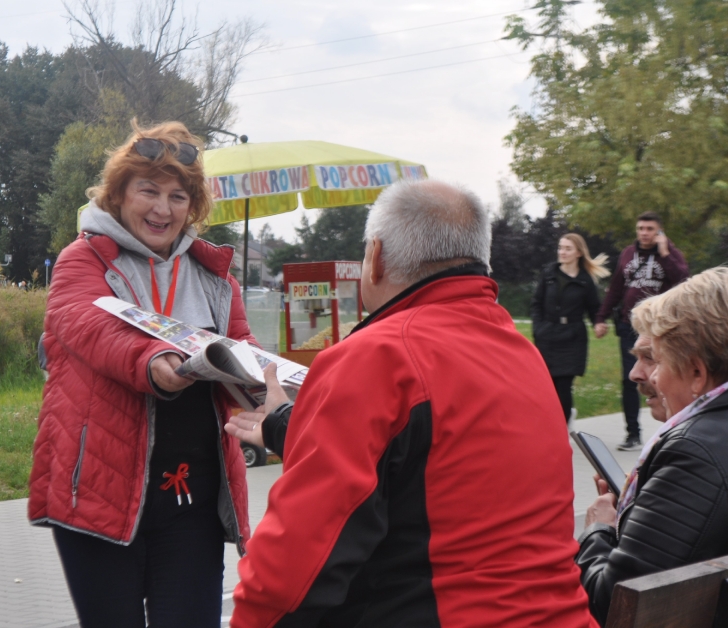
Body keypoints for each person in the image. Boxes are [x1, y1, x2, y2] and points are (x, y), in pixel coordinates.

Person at [225, 180, 595, 627]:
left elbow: (293, 571)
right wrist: (287, 423)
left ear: (376, 256)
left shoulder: (376, 356)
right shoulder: (523, 355)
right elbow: (433, 462)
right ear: (481, 259)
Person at [28, 120, 256, 628]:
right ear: (119, 195)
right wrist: (150, 359)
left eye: (178, 196)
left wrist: (268, 386)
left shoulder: (214, 276)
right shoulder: (84, 259)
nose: (163, 209)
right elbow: (86, 325)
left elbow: (242, 346)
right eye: (148, 191)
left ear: (192, 206)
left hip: (193, 497)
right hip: (100, 492)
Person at [577, 267, 728, 626]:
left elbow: (611, 602)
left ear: (697, 373)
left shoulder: (692, 453)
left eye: (658, 360)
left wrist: (598, 529)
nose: (647, 376)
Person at [594, 212, 688, 450]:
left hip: (659, 328)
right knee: (631, 379)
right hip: (629, 325)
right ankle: (633, 434)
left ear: (659, 231)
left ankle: (673, 427)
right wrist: (601, 317)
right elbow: (616, 287)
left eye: (650, 229)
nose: (644, 233)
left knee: (664, 378)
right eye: (641, 228)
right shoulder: (628, 253)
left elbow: (682, 281)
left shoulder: (671, 254)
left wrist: (664, 253)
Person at [531, 233, 609, 423]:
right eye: (560, 247)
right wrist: (538, 328)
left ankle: (562, 428)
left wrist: (599, 323)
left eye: (568, 248)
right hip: (547, 336)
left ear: (578, 253)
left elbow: (594, 308)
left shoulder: (585, 280)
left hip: (572, 339)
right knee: (548, 386)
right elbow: (536, 303)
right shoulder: (548, 274)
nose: (562, 252)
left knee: (564, 385)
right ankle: (549, 426)